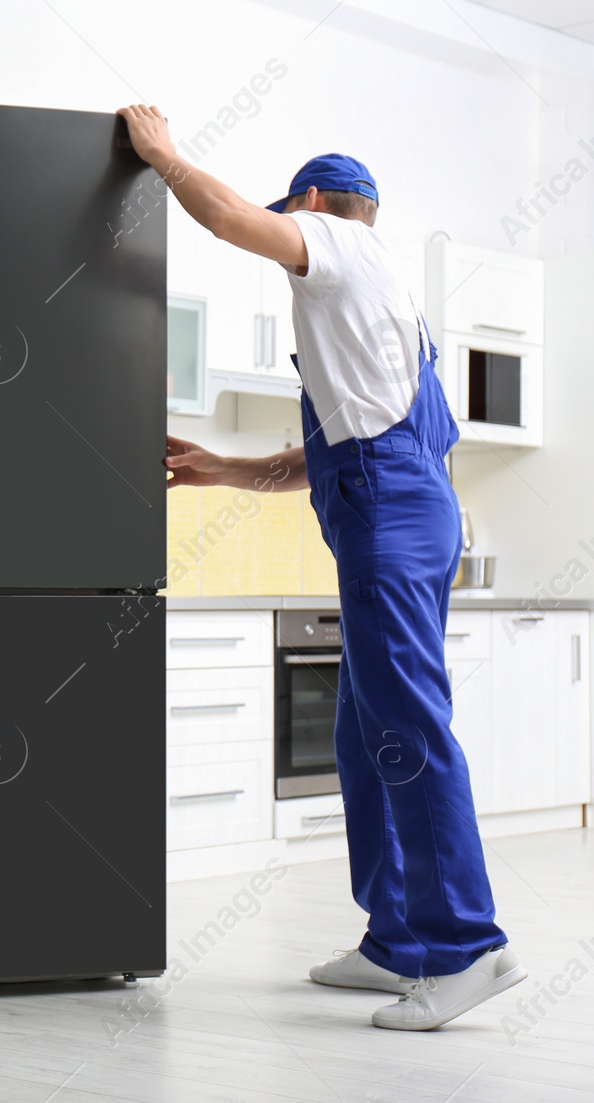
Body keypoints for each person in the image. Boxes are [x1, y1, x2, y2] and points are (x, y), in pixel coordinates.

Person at [118, 103, 526, 1031]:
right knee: (365, 732)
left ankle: (467, 944)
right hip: (399, 507)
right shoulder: (388, 309)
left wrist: (165, 155)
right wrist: (224, 468)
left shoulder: (336, 243)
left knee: (408, 729)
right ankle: (397, 941)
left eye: (292, 217)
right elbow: (344, 447)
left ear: (309, 202)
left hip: (390, 516)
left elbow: (227, 218)